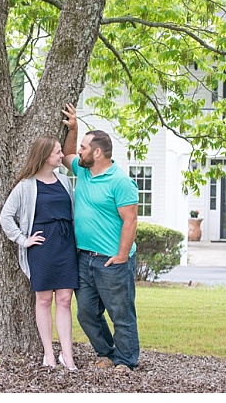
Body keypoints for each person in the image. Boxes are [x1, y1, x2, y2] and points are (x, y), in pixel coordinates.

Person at [60, 104, 141, 372]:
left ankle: (126, 360)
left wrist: (121, 256)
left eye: (85, 147)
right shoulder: (83, 171)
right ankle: (105, 353)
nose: (79, 152)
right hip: (84, 258)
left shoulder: (120, 181)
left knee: (121, 313)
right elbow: (67, 154)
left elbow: (130, 220)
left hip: (112, 261)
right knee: (86, 313)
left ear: (97, 152)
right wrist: (74, 129)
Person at [0, 135, 79, 371]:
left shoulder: (65, 182)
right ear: (45, 156)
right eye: (57, 152)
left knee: (64, 301)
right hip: (42, 248)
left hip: (65, 246)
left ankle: (68, 356)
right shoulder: (26, 185)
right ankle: (49, 355)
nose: (62, 156)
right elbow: (6, 216)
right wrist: (23, 240)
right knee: (44, 300)